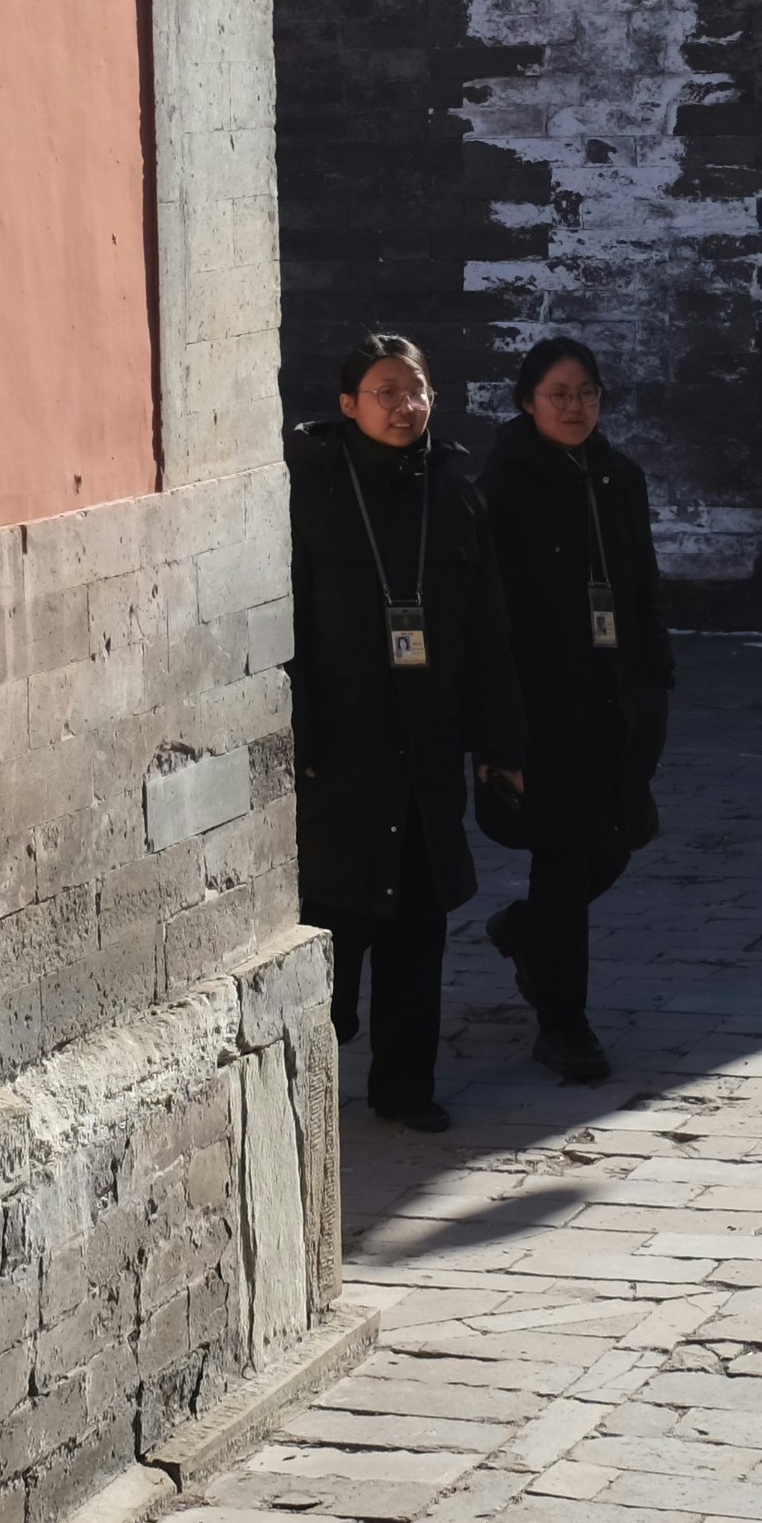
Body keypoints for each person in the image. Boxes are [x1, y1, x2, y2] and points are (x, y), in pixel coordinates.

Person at [285, 335, 526, 1131]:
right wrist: (299, 740)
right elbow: (283, 626)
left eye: (415, 389)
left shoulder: (453, 491)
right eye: (385, 392)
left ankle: (404, 1085)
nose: (404, 406)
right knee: (336, 918)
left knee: (417, 930)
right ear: (349, 404)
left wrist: (500, 746)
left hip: (425, 744)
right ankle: (316, 1067)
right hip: (341, 748)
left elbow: (487, 626)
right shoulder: (308, 487)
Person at [475, 337, 676, 1086]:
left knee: (617, 842)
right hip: (540, 704)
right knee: (563, 857)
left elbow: (643, 586)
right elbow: (487, 611)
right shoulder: (504, 484)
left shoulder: (618, 478)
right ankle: (564, 1025)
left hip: (613, 701)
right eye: (558, 393)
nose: (574, 406)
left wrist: (657, 678)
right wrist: (494, 725)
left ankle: (528, 932)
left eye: (586, 391)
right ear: (529, 400)